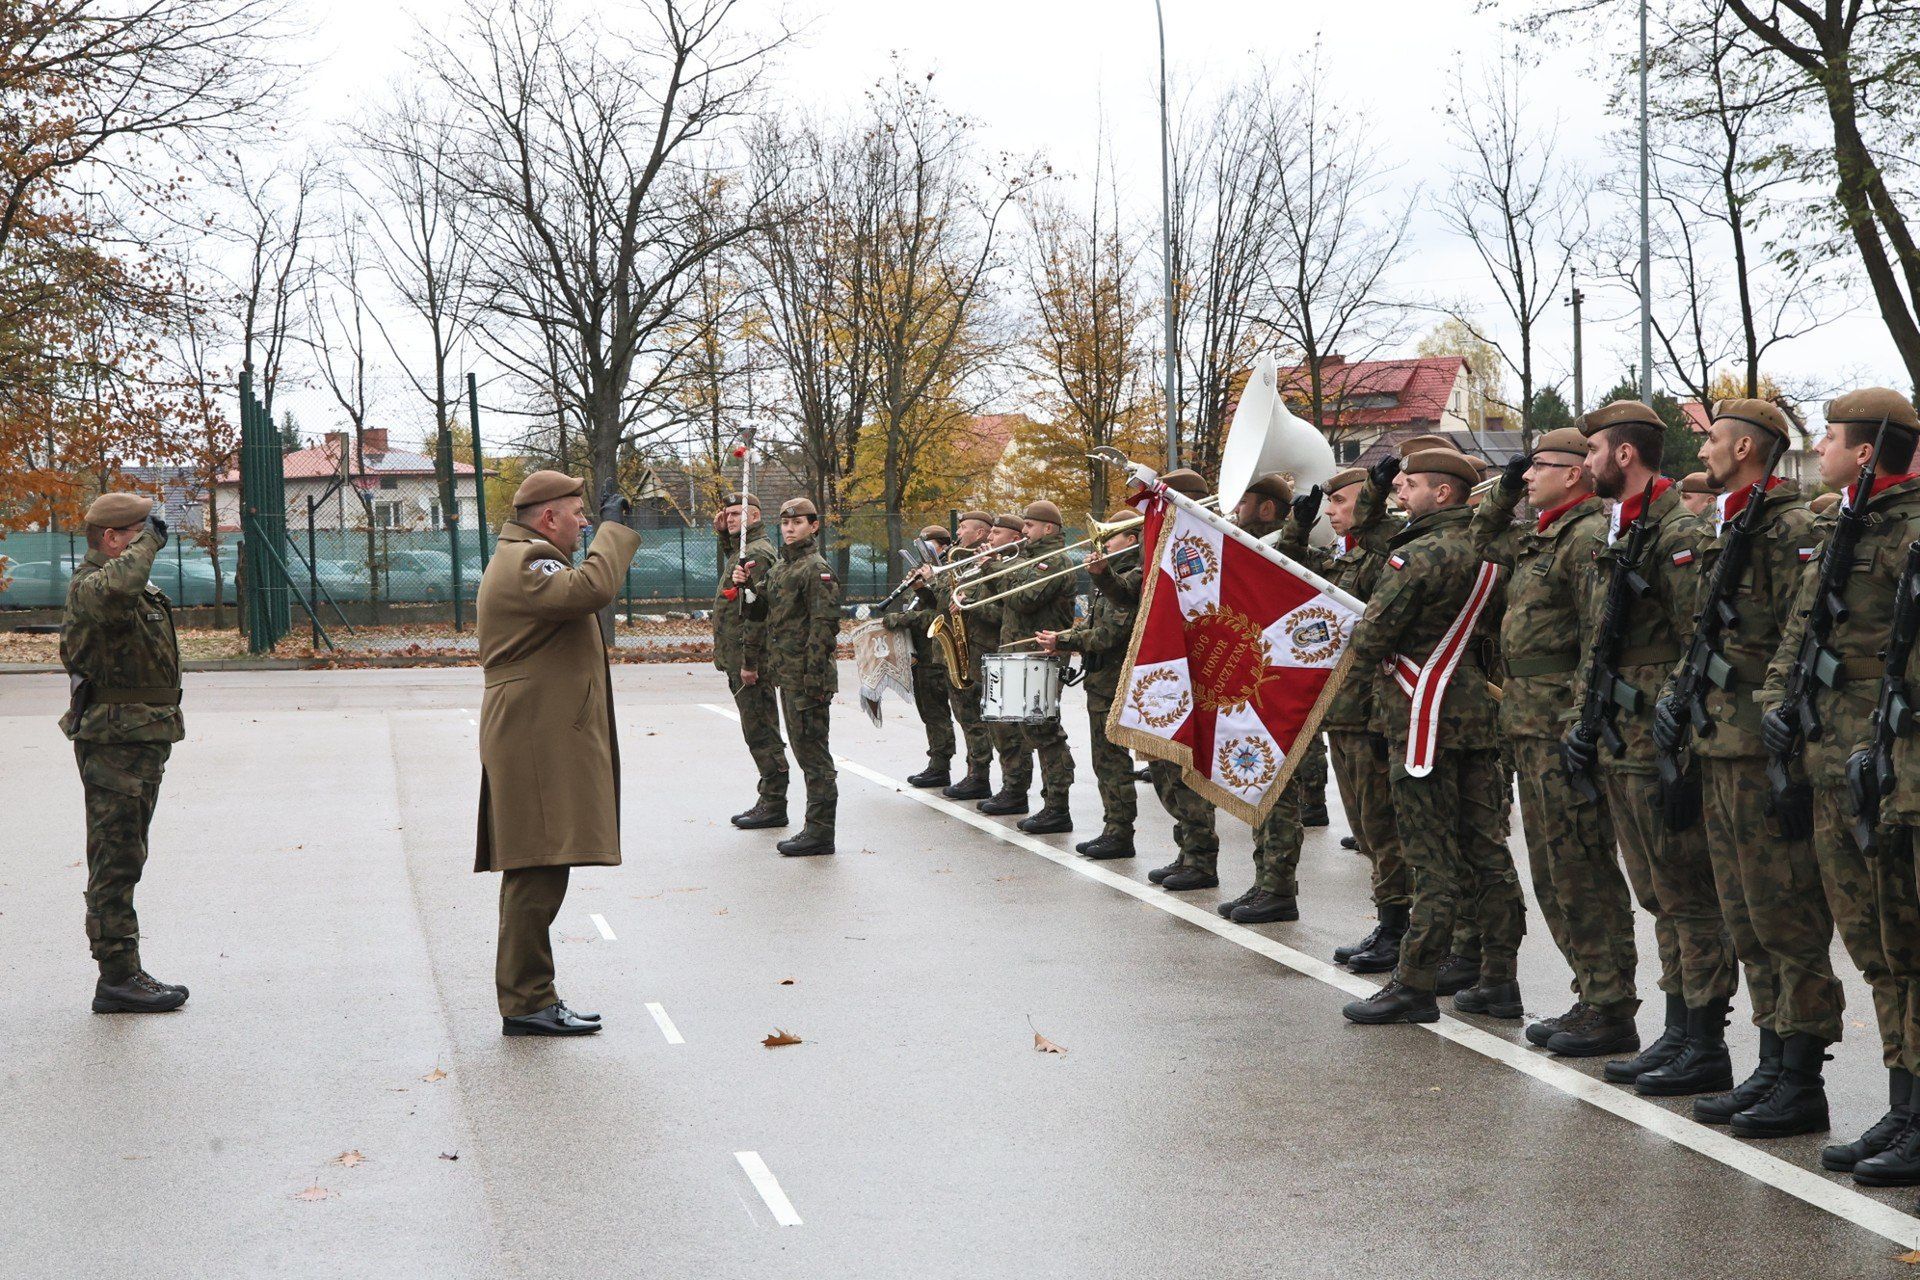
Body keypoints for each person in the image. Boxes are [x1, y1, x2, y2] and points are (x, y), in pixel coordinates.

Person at [1651, 398, 1839, 1136]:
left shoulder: (1792, 530)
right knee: (1747, 918)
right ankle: (1769, 1061)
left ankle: (1802, 1076)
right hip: (1718, 746)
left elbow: (1802, 640)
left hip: (1766, 752)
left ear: (1745, 449)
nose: (1702, 452)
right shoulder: (1729, 524)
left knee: (1788, 916)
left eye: (1713, 442)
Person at [1764, 388, 1920, 1182]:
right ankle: (1903, 1105)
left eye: (1828, 437)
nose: (1818, 448)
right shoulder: (1844, 528)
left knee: (1908, 945)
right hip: (1834, 756)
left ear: (1864, 452)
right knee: (1874, 946)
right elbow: (1800, 633)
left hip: (1889, 764)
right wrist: (1778, 705)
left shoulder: (1911, 531)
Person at [1562, 401, 1736, 1096]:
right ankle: (1677, 1029)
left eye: (1593, 450)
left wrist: (1672, 721)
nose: (1586, 463)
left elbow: (1702, 636)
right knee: (1660, 894)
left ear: (1624, 455)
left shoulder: (1676, 530)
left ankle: (1705, 1041)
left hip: (1659, 741)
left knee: (1688, 894)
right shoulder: (1627, 528)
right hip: (1620, 737)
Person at [1341, 448, 1525, 1025]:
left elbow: (1372, 637)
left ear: (1442, 493)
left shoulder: (1418, 556)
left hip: (1421, 715)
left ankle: (1415, 982)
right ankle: (1500, 979)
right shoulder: (1491, 551)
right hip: (1475, 713)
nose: (1401, 491)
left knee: (1430, 858)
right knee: (1488, 853)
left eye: (1411, 484)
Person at [1471, 429, 1640, 1056]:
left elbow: (1598, 637)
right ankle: (1591, 994)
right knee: (1551, 870)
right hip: (1528, 723)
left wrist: (1581, 719)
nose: (1527, 476)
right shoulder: (1543, 536)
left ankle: (1610, 1004)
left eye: (1538, 466)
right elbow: (1481, 538)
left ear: (1573, 474)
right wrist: (1504, 489)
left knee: (1581, 867)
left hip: (1560, 726)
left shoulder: (1588, 537)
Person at [476, 470, 640, 1036]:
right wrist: (614, 531)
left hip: (535, 731)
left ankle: (531, 996)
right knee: (537, 867)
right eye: (578, 514)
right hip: (532, 735)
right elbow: (589, 590)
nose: (585, 523)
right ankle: (527, 1000)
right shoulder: (530, 560)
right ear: (548, 518)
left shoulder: (527, 555)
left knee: (540, 865)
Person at [60, 492, 189, 1014]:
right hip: (115, 743)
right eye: (140, 534)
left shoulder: (126, 585)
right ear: (113, 539)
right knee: (116, 859)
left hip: (139, 737)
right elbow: (117, 589)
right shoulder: (94, 587)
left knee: (128, 853)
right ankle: (116, 978)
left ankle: (124, 971)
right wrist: (148, 543)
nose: (151, 542)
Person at [1301, 465, 1408, 971]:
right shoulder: (1344, 557)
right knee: (1366, 831)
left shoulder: (1383, 549)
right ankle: (1389, 922)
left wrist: (1374, 495)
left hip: (1371, 712)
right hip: (1343, 711)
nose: (1331, 512)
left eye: (1340, 502)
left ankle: (1398, 928)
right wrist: (1296, 527)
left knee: (1384, 831)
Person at [1215, 472, 1311, 924]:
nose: (1235, 510)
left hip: (1279, 681)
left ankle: (1279, 889)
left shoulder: (1280, 548)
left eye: (1244, 502)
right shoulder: (1242, 547)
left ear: (1268, 508)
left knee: (1278, 789)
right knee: (1260, 785)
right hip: (1253, 680)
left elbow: (1282, 574)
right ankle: (1267, 881)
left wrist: (1296, 530)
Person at [1136, 468, 1225, 892]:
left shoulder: (1201, 545)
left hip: (1195, 673)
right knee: (1164, 769)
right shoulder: (1163, 546)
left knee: (1187, 770)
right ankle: (1187, 850)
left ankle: (1202, 859)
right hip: (1164, 671)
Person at [1039, 513, 1142, 858]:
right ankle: (1114, 829)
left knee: (1112, 761)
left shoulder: (1130, 577)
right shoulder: (1111, 578)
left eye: (1110, 537)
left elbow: (1109, 635)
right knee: (1105, 761)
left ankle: (1120, 833)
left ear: (1130, 540)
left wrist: (1066, 640)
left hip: (1114, 683)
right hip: (1102, 682)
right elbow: (1093, 625)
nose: (1104, 543)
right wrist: (1063, 638)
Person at [743, 498, 842, 856]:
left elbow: (824, 627)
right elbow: (759, 609)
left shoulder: (816, 569)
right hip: (786, 674)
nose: (789, 528)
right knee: (804, 752)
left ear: (814, 526)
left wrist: (813, 679)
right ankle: (814, 829)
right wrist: (747, 585)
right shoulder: (783, 568)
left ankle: (820, 832)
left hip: (806, 678)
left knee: (814, 757)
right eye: (785, 523)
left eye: (798, 522)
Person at [977, 500, 1079, 834]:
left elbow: (1024, 598)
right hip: (1018, 652)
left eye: (1030, 526)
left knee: (1044, 731)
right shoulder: (1028, 559)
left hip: (1040, 655)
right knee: (1021, 729)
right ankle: (1020, 793)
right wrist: (992, 570)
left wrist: (992, 569)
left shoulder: (1054, 561)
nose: (1024, 531)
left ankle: (1057, 807)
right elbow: (1004, 599)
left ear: (1048, 528)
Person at [713, 493, 787, 830]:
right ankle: (770, 799)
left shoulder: (757, 553)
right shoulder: (744, 549)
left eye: (736, 514)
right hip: (738, 655)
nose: (729, 519)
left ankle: (774, 802)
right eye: (727, 514)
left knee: (761, 731)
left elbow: (757, 610)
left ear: (754, 517)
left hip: (750, 657)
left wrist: (750, 662)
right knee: (755, 729)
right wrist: (723, 536)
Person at [882, 524, 957, 789]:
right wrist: (918, 587)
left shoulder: (950, 571)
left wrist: (905, 618)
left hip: (940, 650)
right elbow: (930, 602)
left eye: (929, 548)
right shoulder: (931, 572)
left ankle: (948, 766)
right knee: (929, 711)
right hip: (924, 652)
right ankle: (937, 765)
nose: (925, 554)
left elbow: (940, 614)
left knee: (940, 712)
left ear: (943, 546)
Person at [934, 512, 1000, 800]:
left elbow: (999, 608)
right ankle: (974, 772)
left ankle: (979, 775)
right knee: (965, 715)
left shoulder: (990, 562)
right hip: (965, 645)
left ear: (980, 533)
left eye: (962, 528)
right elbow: (942, 603)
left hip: (981, 648)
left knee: (976, 718)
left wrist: (968, 604)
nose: (958, 533)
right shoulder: (962, 562)